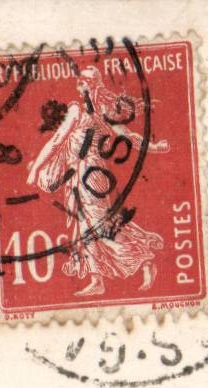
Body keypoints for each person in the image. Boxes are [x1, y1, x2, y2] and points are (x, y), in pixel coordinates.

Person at [25, 65, 169, 298]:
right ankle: (100, 278)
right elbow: (58, 140)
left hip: (91, 175)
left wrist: (154, 147)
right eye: (80, 80)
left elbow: (128, 137)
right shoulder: (80, 110)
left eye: (85, 81)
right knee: (89, 226)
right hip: (77, 176)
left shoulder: (96, 112)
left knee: (95, 227)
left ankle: (141, 259)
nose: (80, 84)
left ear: (93, 85)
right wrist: (154, 146)